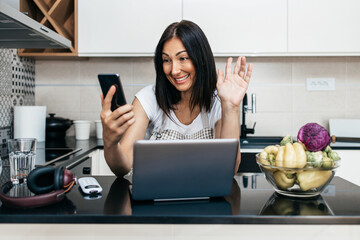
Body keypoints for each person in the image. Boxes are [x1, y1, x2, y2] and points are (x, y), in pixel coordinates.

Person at [100, 20, 252, 177]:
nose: (174, 70)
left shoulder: (219, 101)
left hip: (204, 199)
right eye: (166, 60)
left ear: (201, 58)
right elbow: (123, 166)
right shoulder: (148, 99)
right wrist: (110, 144)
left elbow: (228, 169)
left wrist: (231, 107)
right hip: (155, 197)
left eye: (183, 58)